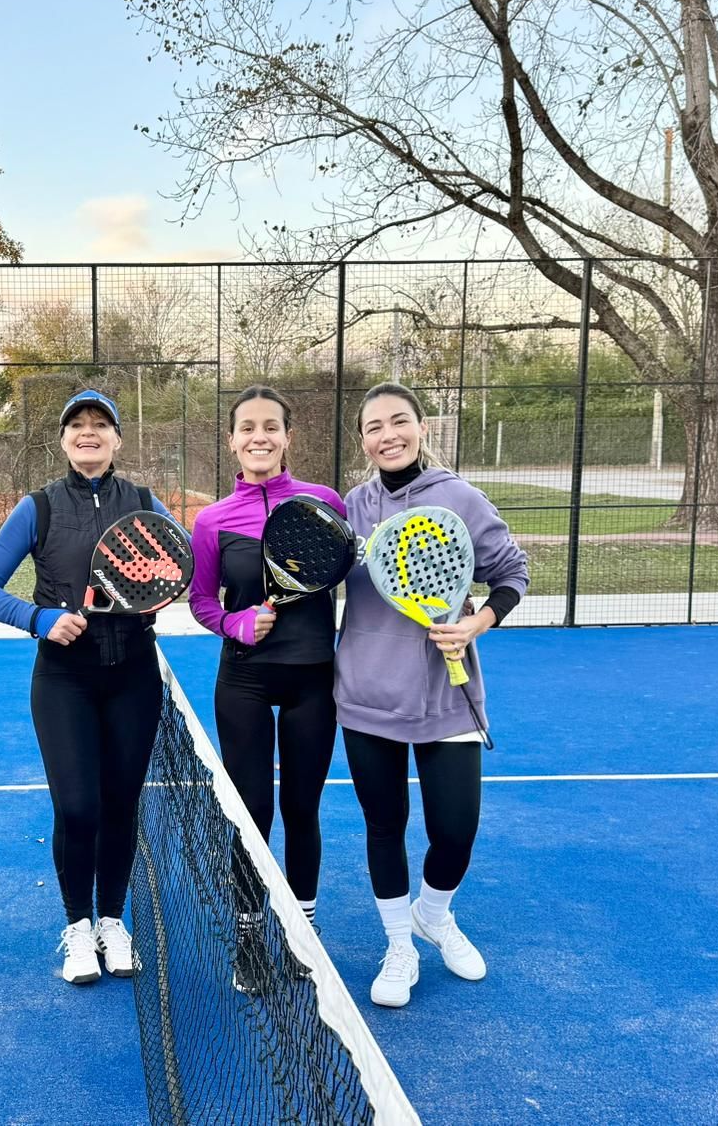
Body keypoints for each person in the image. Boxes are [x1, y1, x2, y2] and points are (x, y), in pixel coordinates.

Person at [0, 388, 176, 985]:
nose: (89, 432)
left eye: (101, 424)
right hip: (63, 680)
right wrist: (40, 619)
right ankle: (78, 928)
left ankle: (113, 920)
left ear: (116, 438)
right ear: (63, 440)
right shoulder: (39, 507)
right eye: (77, 424)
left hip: (135, 675)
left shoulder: (142, 501)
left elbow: (179, 565)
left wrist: (158, 592)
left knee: (120, 805)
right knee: (78, 806)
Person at [335, 382, 528, 1008]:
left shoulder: (460, 498)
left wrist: (477, 622)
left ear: (421, 427)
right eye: (373, 427)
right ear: (362, 440)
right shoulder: (351, 507)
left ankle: (435, 913)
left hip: (449, 697)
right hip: (366, 693)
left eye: (399, 422)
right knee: (383, 825)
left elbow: (512, 573)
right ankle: (399, 944)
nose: (387, 435)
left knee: (455, 830)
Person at [188, 384, 346, 993]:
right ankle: (251, 935)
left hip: (313, 678)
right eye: (247, 427)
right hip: (245, 680)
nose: (260, 437)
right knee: (251, 814)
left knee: (301, 809)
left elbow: (344, 571)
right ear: (232, 440)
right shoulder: (212, 520)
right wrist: (236, 622)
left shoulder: (322, 501)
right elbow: (203, 600)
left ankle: (302, 932)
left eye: (271, 426)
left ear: (288, 437)